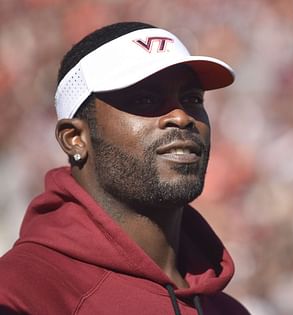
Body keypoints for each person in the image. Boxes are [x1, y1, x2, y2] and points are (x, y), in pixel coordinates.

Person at [0, 22, 250, 315]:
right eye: (145, 99)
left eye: (192, 99)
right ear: (75, 138)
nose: (181, 118)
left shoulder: (227, 309)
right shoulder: (21, 295)